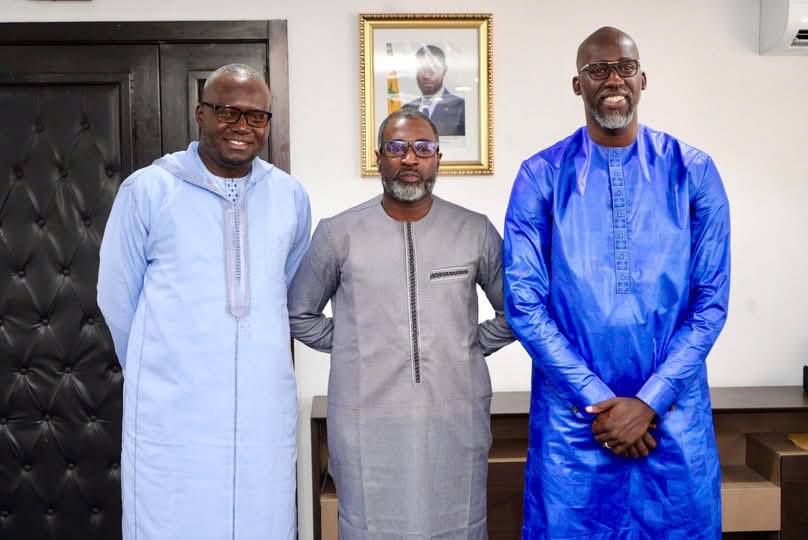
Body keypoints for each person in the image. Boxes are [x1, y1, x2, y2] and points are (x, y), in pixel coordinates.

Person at [504, 27, 730, 539]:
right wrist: (599, 403)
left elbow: (711, 304)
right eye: (597, 69)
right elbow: (525, 305)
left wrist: (649, 402)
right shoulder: (540, 175)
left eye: (625, 68)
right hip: (576, 423)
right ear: (577, 84)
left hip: (671, 419)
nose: (613, 79)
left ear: (642, 79)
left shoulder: (693, 172)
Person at [97, 64, 310, 540]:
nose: (242, 126)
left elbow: (286, 288)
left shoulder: (290, 196)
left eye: (256, 116)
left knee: (262, 518)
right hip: (174, 409)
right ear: (201, 114)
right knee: (173, 520)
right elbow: (116, 298)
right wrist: (163, 370)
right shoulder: (149, 189)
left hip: (261, 406)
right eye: (228, 111)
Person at [289, 108, 513, 539]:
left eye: (423, 148)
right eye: (396, 147)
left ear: (438, 159)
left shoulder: (475, 230)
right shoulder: (338, 233)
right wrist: (357, 344)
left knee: (458, 523)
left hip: (455, 414)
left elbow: (517, 313)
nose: (410, 158)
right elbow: (300, 313)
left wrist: (467, 343)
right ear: (379, 158)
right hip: (366, 420)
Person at [403, 45, 466, 136]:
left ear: (444, 70)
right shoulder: (406, 110)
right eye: (421, 69)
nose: (426, 76)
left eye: (433, 69)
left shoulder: (460, 107)